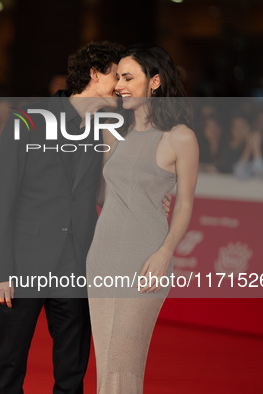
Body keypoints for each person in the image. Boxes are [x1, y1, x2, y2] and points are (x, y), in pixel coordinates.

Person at [0, 41, 172, 394]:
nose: (121, 86)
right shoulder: (26, 119)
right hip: (23, 263)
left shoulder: (107, 128)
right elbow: (2, 198)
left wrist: (148, 198)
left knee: (72, 374)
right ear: (94, 73)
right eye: (117, 76)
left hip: (78, 264)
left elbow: (103, 190)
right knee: (9, 369)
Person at [86, 43, 199, 393]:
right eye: (118, 77)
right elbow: (102, 196)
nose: (119, 84)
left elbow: (184, 205)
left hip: (144, 261)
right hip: (102, 257)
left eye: (128, 77)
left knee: (123, 364)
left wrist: (165, 253)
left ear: (155, 81)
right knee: (106, 365)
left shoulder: (180, 137)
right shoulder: (113, 132)